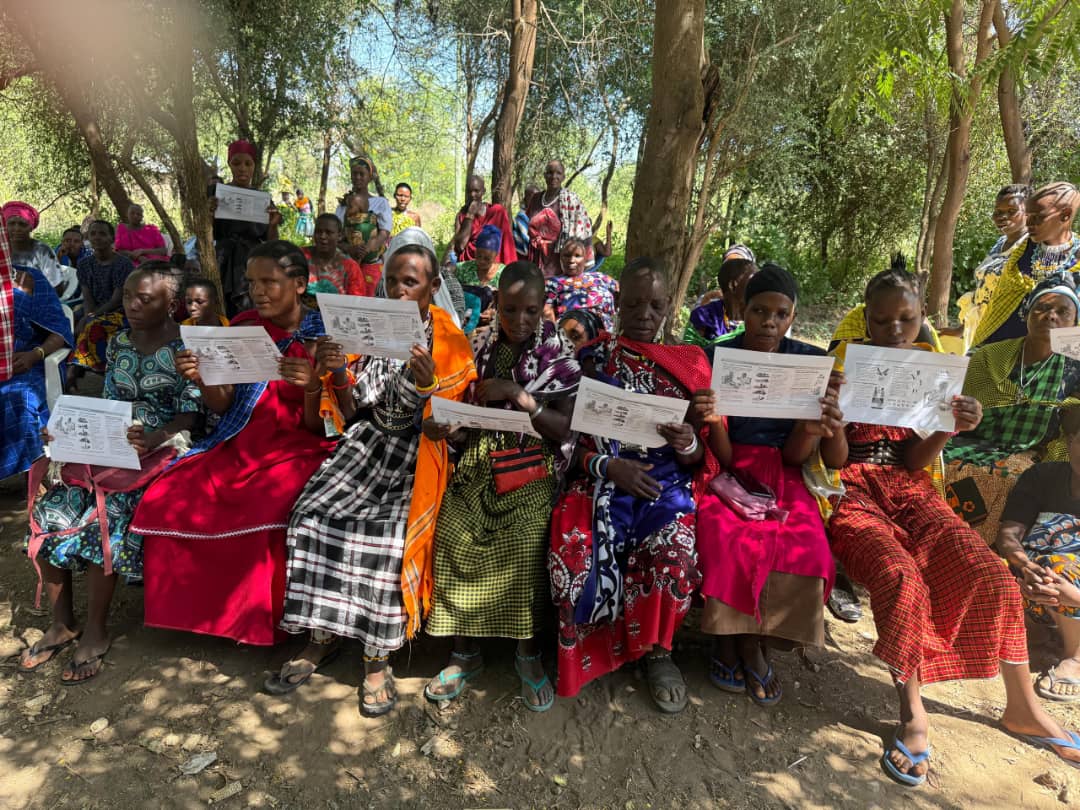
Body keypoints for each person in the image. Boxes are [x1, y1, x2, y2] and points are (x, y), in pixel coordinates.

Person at [827, 265, 1080, 786]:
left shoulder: (934, 367)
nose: (894, 331)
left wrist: (950, 427)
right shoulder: (842, 365)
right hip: (850, 488)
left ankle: (1023, 706)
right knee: (899, 577)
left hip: (909, 485)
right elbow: (833, 457)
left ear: (923, 317)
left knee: (987, 570)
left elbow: (917, 462)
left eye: (906, 319)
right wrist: (829, 419)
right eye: (881, 321)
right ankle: (912, 711)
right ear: (865, 321)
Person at [267, 228, 476, 716]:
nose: (400, 292)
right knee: (311, 516)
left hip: (415, 455)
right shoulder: (372, 331)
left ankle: (375, 658)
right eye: (393, 283)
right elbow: (353, 412)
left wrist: (428, 388)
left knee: (385, 536)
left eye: (411, 283)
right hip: (365, 447)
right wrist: (338, 373)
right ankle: (322, 635)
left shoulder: (448, 343)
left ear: (432, 285)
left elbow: (445, 425)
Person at [130, 241, 336, 646]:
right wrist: (202, 378)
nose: (257, 291)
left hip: (300, 445)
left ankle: (257, 621)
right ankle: (189, 613)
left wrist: (313, 387)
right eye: (251, 282)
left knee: (263, 504)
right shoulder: (242, 326)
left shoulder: (322, 336)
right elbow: (225, 405)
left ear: (299, 284)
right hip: (241, 437)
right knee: (170, 493)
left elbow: (321, 427)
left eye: (269, 282)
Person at [548, 258, 715, 713]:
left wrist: (688, 444)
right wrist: (607, 467)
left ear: (668, 307)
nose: (645, 314)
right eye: (636, 303)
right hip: (601, 476)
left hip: (665, 482)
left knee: (673, 551)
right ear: (618, 302)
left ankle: (657, 651)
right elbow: (568, 442)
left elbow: (702, 454)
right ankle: (588, 650)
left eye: (655, 305)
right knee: (575, 549)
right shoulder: (590, 358)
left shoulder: (691, 364)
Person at [21, 267, 199, 683]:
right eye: (129, 296)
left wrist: (154, 438)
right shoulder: (118, 340)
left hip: (161, 443)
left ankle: (97, 630)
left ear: (170, 305)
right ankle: (63, 621)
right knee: (51, 507)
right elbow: (109, 400)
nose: (133, 306)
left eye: (146, 299)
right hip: (110, 437)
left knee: (109, 513)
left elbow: (190, 413)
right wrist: (69, 428)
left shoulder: (187, 346)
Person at [423, 261, 580, 711]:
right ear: (496, 306)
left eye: (530, 310)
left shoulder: (559, 356)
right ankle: (464, 652)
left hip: (532, 466)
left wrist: (517, 395)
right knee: (455, 527)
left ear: (544, 308)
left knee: (527, 535)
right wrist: (448, 429)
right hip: (478, 460)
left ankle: (527, 653)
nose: (520, 320)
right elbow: (462, 415)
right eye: (509, 310)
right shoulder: (478, 346)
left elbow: (566, 430)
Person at [692, 265, 840, 707]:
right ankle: (725, 636)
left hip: (784, 466)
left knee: (805, 544)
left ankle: (756, 639)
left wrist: (813, 427)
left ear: (792, 317)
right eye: (759, 311)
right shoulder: (718, 358)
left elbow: (796, 456)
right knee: (725, 534)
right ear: (742, 311)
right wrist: (716, 422)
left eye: (781, 313)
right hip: (727, 464)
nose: (769, 322)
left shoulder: (808, 363)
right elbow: (727, 456)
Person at [945, 274, 1080, 544]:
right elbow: (954, 408)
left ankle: (979, 546)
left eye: (1063, 312)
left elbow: (1072, 429)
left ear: (1074, 325)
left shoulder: (1074, 367)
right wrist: (964, 412)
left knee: (1010, 477)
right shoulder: (988, 356)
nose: (1050, 316)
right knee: (935, 463)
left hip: (1030, 452)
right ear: (1027, 314)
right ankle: (944, 538)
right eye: (1041, 308)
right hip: (973, 441)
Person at [996, 408, 1080, 702]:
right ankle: (1038, 634)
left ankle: (1075, 657)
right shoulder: (1042, 476)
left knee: (1062, 567)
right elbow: (1008, 536)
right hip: (1033, 583)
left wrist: (1075, 596)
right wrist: (1026, 566)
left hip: (1075, 592)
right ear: (1070, 441)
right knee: (999, 569)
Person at [972, 181, 1080, 348]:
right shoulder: (1021, 251)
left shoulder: (1077, 260)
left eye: (1038, 217)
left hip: (1050, 360)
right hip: (998, 349)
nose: (1029, 224)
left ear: (1065, 214)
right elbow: (999, 303)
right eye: (1028, 216)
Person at [0, 259, 74, 481]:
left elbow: (59, 330)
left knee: (20, 399)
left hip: (25, 363)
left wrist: (36, 354)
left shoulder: (29, 279)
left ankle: (33, 474)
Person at [953, 185, 1030, 351]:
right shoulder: (999, 244)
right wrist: (960, 330)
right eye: (998, 211)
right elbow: (984, 293)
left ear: (1028, 212)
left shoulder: (1031, 248)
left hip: (1009, 337)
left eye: (1011, 211)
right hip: (981, 333)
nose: (1002, 216)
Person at [211, 140, 282, 317]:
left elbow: (271, 242)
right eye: (236, 163)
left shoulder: (263, 200)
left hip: (251, 261)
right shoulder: (217, 195)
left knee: (248, 308)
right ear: (229, 165)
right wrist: (209, 213)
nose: (242, 168)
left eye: (248, 163)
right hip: (222, 260)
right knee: (222, 306)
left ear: (254, 166)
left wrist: (272, 224)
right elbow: (207, 233)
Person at [67, 224, 138, 390]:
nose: (97, 237)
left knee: (94, 325)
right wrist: (87, 314)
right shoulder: (85, 264)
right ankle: (63, 366)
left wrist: (89, 317)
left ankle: (76, 368)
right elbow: (87, 296)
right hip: (94, 310)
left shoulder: (123, 264)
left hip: (120, 312)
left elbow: (116, 300)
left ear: (112, 239)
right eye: (93, 234)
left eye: (102, 234)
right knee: (65, 325)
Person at [335, 155, 392, 293]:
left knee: (370, 301)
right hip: (348, 262)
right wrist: (349, 249)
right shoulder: (342, 206)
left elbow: (384, 233)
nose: (358, 177)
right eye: (354, 173)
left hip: (372, 263)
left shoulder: (380, 203)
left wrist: (367, 248)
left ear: (370, 177)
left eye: (362, 174)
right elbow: (337, 237)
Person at [527, 160, 593, 277]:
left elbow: (581, 231)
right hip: (537, 257)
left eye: (558, 173)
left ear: (563, 177)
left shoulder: (571, 200)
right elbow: (528, 225)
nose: (554, 176)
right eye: (550, 172)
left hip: (559, 260)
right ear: (544, 175)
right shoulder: (535, 199)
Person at [682, 245, 757, 347]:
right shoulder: (703, 316)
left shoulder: (759, 319)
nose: (757, 285)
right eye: (752, 281)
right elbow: (686, 354)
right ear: (733, 285)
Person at [543, 237, 619, 330]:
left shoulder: (601, 278)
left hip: (607, 335)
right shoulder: (553, 283)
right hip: (572, 336)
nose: (571, 260)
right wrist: (553, 338)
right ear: (560, 259)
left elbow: (624, 295)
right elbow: (547, 314)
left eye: (577, 256)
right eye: (566, 255)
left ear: (585, 258)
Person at [452, 175, 517, 266]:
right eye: (469, 191)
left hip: (492, 266)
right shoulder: (461, 216)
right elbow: (460, 246)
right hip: (469, 266)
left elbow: (507, 246)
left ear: (483, 191)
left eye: (476, 191)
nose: (472, 195)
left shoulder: (497, 212)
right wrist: (470, 215)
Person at [3, 201, 66, 292]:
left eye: (22, 224)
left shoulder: (43, 251)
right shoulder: (2, 250)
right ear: (5, 226)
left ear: (30, 227)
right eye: (11, 223)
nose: (16, 228)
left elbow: (58, 289)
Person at [303, 213, 370, 296]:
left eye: (329, 232)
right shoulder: (300, 256)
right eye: (318, 231)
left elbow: (356, 302)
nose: (322, 236)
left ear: (340, 236)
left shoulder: (351, 268)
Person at [514, 183, 540, 259]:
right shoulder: (521, 217)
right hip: (524, 258)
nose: (533, 200)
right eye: (530, 196)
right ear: (525, 199)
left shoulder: (542, 216)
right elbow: (524, 239)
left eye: (536, 197)